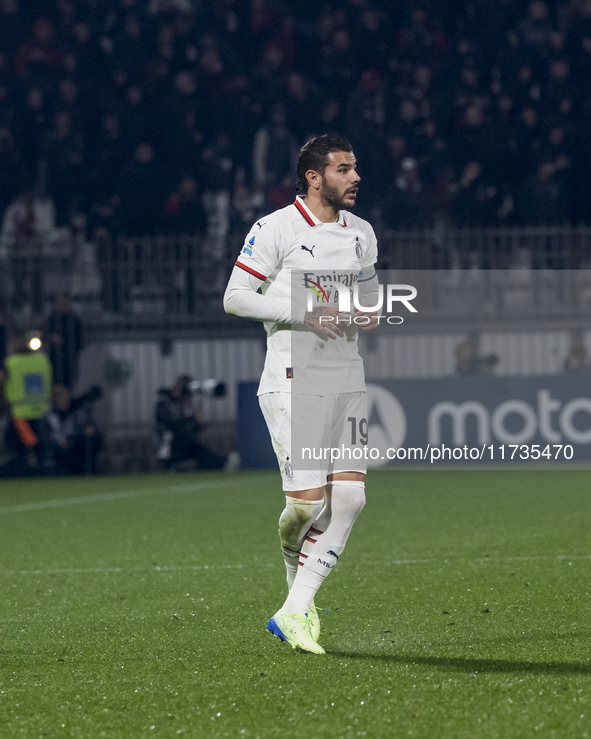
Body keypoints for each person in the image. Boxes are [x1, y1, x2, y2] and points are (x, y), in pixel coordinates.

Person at [223, 134, 379, 655]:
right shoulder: (275, 228)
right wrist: (307, 314)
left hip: (347, 380)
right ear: (314, 177)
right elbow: (236, 298)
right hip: (293, 381)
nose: (355, 178)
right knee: (307, 508)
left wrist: (368, 309)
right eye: (344, 169)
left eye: (355, 168)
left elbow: (370, 292)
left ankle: (293, 610)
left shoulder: (362, 234)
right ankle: (295, 584)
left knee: (351, 497)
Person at [155, 374, 239, 472]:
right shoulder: (163, 403)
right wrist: (191, 418)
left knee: (203, 454)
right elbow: (171, 423)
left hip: (184, 443)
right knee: (198, 453)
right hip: (169, 445)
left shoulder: (183, 404)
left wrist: (197, 423)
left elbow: (189, 427)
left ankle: (224, 462)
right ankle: (171, 467)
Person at [40, 384, 103, 474]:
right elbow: (44, 438)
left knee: (94, 438)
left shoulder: (78, 411)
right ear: (54, 398)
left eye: (66, 394)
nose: (64, 398)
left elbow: (87, 426)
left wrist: (88, 429)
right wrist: (58, 443)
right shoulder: (48, 416)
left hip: (74, 445)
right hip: (58, 449)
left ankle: (89, 471)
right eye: (59, 395)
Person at [43, 291, 84, 390]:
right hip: (53, 362)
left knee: (68, 389)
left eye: (64, 303)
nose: (61, 306)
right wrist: (51, 339)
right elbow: (44, 337)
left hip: (69, 362)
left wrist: (64, 343)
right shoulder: (51, 320)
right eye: (59, 303)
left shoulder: (75, 321)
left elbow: (80, 342)